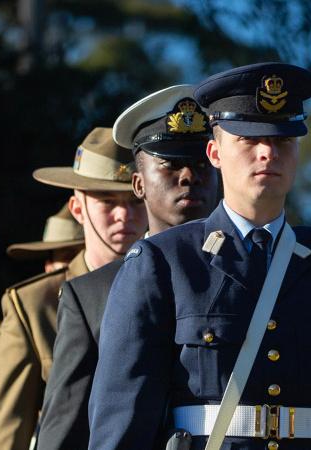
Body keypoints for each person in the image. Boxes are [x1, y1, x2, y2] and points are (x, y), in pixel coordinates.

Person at [87, 63, 311, 450]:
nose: (267, 153)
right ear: (215, 152)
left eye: (283, 141)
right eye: (248, 139)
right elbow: (124, 421)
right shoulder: (164, 261)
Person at [37, 85, 219, 450]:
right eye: (170, 164)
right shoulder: (91, 295)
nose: (189, 177)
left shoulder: (259, 276)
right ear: (138, 184)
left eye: (201, 164)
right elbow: (65, 429)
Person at [0, 127, 148, 450]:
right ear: (77, 209)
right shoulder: (34, 305)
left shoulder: (174, 287)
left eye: (134, 201)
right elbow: (8, 431)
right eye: (107, 201)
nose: (123, 215)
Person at [0, 207, 84, 450]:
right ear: (49, 266)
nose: (77, 265)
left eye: (83, 255)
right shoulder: (18, 329)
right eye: (68, 257)